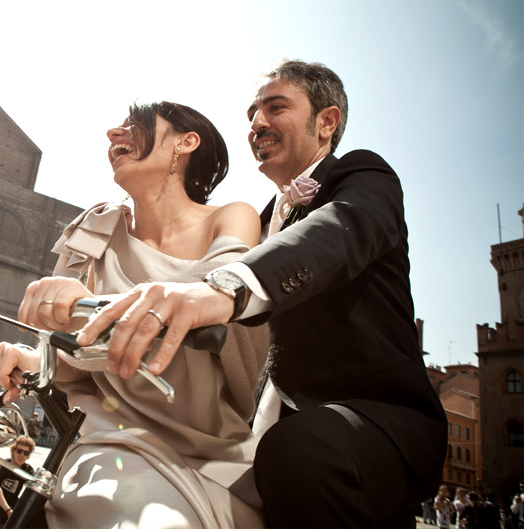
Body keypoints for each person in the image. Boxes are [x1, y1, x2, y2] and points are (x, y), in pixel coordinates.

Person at [69, 61, 448, 527]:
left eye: (275, 107)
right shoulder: (263, 217)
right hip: (269, 431)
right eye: (252, 112)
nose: (257, 123)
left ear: (326, 122)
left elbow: (339, 232)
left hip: (373, 425)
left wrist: (226, 288)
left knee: (300, 452)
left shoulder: (361, 175)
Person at [0, 101, 268, 527]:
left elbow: (217, 296)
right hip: (115, 444)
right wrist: (36, 357)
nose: (113, 134)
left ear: (185, 142)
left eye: (134, 125)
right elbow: (75, 368)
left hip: (218, 455)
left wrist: (88, 307)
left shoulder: (231, 217)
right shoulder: (93, 233)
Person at [0, 435, 37, 528]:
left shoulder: (27, 470)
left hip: (9, 507)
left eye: (25, 453)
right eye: (19, 451)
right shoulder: (1, 465)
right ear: (13, 451)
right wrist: (8, 509)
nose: (22, 455)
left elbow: (36, 486)